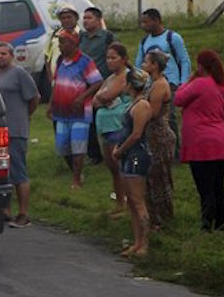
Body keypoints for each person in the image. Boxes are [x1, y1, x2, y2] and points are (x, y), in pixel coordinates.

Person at [174, 50, 224, 232]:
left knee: (204, 186)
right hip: (222, 140)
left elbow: (178, 98)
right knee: (218, 185)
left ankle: (207, 223)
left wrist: (190, 80)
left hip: (201, 143)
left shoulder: (199, 84)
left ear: (200, 66)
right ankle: (220, 224)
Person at [47, 29, 103, 189]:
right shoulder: (59, 60)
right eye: (59, 42)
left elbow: (97, 82)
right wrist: (50, 103)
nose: (60, 45)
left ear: (73, 43)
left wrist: (82, 97)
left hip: (79, 113)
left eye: (63, 42)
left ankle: (77, 179)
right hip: (61, 111)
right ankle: (76, 172)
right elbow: (56, 83)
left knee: (78, 147)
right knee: (62, 147)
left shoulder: (85, 61)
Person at [0, 42, 40, 228]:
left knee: (18, 171)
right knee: (2, 171)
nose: (0, 56)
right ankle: (5, 210)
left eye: (4, 53)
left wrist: (25, 116)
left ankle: (23, 213)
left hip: (16, 130)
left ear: (11, 55)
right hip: (0, 131)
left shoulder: (19, 73)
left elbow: (34, 97)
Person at [134, 8, 191, 159]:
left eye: (146, 22)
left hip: (170, 82)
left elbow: (184, 60)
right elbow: (138, 63)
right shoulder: (145, 41)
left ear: (156, 20)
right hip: (150, 84)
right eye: (142, 22)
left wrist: (182, 83)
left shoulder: (173, 38)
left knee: (169, 117)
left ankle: (176, 152)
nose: (143, 25)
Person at [111, 68, 152, 257]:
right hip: (128, 155)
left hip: (137, 155)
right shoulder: (133, 103)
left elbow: (136, 134)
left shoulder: (142, 105)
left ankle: (144, 243)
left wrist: (120, 149)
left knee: (138, 201)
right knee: (132, 204)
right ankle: (136, 242)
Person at [92, 43, 131, 217]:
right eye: (108, 58)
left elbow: (106, 95)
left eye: (113, 57)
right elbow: (95, 100)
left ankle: (130, 203)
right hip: (105, 127)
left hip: (118, 125)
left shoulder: (126, 76)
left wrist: (103, 97)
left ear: (124, 59)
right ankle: (120, 203)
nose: (110, 61)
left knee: (121, 166)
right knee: (112, 168)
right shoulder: (109, 78)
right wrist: (102, 98)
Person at [141, 50, 176, 230]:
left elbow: (152, 113)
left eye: (146, 61)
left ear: (155, 65)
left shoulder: (160, 85)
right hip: (151, 135)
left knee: (159, 177)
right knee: (151, 178)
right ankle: (154, 216)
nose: (143, 64)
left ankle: (163, 218)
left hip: (159, 137)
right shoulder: (151, 83)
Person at [80, 7, 116, 166]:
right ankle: (94, 155)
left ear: (98, 19)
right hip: (85, 86)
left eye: (89, 18)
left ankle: (113, 151)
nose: (85, 21)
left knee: (107, 120)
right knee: (88, 122)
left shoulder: (107, 37)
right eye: (84, 18)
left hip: (105, 85)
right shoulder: (81, 38)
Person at [44, 6, 80, 84]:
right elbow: (47, 58)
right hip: (56, 81)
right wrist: (51, 79)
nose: (66, 20)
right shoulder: (54, 34)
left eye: (69, 17)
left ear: (76, 18)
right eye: (63, 18)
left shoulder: (81, 35)